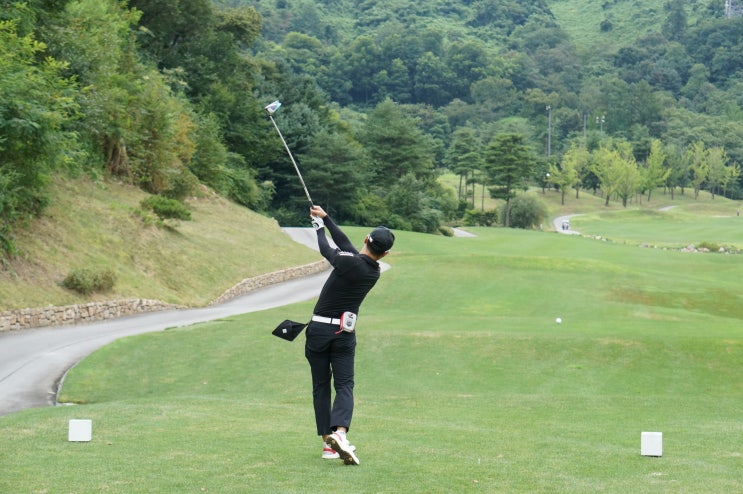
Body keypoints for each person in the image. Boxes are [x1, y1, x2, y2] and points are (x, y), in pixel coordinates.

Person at [305, 205, 394, 466]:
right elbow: (344, 244)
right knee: (344, 385)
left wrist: (318, 228)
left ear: (366, 239)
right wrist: (326, 218)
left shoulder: (349, 262)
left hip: (319, 331)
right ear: (385, 253)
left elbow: (327, 249)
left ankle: (328, 443)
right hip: (344, 334)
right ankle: (340, 434)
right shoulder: (372, 270)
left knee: (321, 386)